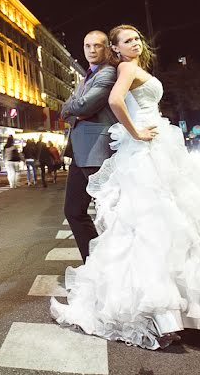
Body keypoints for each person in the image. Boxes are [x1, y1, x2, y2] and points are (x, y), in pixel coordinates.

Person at [51, 25, 200, 350]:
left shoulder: (119, 70)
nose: (134, 43)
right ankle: (159, 304)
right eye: (127, 40)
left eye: (136, 38)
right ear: (117, 49)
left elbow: (83, 105)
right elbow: (108, 102)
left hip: (153, 146)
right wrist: (134, 132)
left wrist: (82, 111)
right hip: (141, 148)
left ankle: (179, 304)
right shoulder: (121, 69)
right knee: (148, 221)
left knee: (171, 219)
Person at [60, 30, 118, 262]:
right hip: (80, 154)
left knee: (108, 214)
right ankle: (95, 261)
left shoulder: (108, 73)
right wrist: (73, 110)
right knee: (73, 211)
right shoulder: (88, 75)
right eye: (87, 46)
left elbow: (83, 106)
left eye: (98, 46)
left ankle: (115, 264)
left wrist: (72, 110)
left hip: (97, 153)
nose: (92, 50)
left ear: (107, 48)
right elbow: (73, 107)